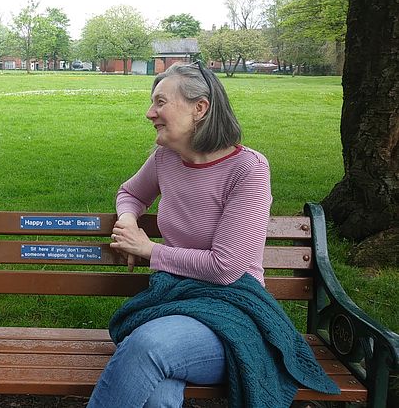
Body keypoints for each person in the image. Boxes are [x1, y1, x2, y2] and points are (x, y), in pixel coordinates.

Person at [87, 62, 338, 407]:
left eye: (160, 102)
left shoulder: (247, 169)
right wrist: (128, 220)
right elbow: (131, 193)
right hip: (176, 300)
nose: (150, 113)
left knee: (148, 347)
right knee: (158, 392)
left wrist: (149, 250)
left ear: (200, 108)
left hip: (234, 311)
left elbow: (226, 267)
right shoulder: (166, 158)